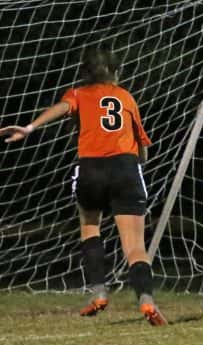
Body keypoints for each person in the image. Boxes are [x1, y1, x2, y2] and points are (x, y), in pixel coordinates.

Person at [0, 48, 168, 325]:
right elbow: (141, 147)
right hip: (125, 168)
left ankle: (99, 292)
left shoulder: (78, 94)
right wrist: (137, 169)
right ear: (116, 73)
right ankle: (146, 300)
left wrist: (29, 128)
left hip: (91, 169)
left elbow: (63, 108)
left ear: (84, 74)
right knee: (135, 245)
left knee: (90, 226)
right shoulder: (125, 97)